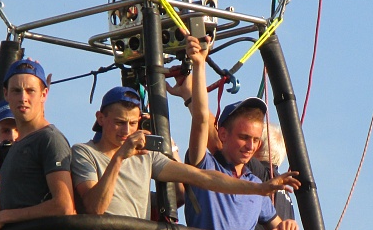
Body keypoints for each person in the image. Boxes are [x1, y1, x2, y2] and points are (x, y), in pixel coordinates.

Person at [71, 85, 299, 219]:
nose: (126, 131)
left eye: (132, 124)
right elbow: (95, 207)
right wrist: (120, 156)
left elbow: (203, 177)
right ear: (101, 118)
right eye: (120, 123)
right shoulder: (84, 153)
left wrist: (260, 189)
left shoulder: (146, 156)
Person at [180, 36, 301, 230]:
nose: (250, 146)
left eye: (255, 140)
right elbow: (200, 119)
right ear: (223, 135)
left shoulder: (256, 185)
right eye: (243, 137)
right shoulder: (203, 166)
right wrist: (199, 64)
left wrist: (289, 228)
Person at [0, 58, 75, 230]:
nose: (23, 98)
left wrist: (3, 217)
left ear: (44, 94)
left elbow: (64, 206)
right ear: (6, 94)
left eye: (30, 91)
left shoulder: (49, 139)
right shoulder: (17, 146)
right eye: (16, 91)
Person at [248, 122, 296, 230]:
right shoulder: (287, 195)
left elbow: (222, 145)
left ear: (258, 146)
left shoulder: (259, 173)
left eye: (254, 140)